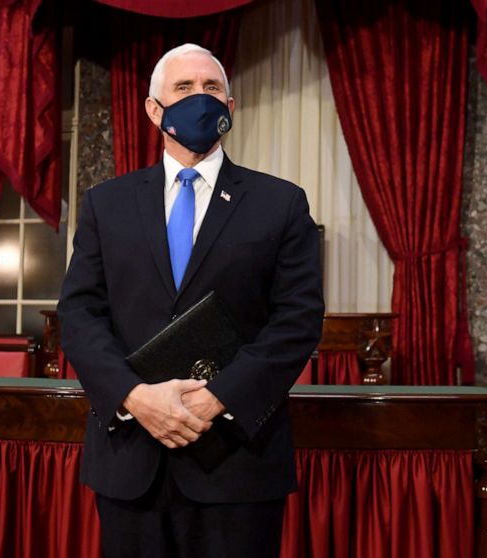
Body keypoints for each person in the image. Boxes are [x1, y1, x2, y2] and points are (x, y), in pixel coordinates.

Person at [57, 43, 324, 558]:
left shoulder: (281, 203)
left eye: (212, 89)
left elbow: (298, 320)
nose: (200, 99)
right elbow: (79, 313)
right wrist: (135, 397)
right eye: (184, 89)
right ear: (154, 110)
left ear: (231, 106)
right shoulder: (106, 204)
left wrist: (216, 397)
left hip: (237, 464)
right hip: (131, 460)